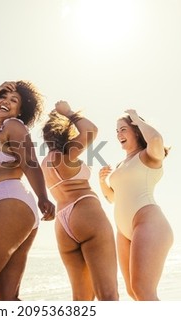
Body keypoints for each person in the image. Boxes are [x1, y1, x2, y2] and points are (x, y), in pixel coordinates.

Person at [0, 81, 55, 300]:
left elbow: (30, 162)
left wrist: (43, 196)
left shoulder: (14, 126)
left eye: (14, 100)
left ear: (21, 111)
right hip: (9, 206)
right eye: (3, 97)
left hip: (10, 202)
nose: (6, 102)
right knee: (7, 298)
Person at [41, 100, 119, 301]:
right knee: (108, 295)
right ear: (67, 132)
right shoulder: (68, 153)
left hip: (63, 224)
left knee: (81, 301)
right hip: (86, 213)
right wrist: (68, 112)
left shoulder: (46, 161)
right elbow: (91, 130)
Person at [99, 109, 173, 300]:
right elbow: (113, 198)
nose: (118, 135)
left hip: (148, 222)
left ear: (137, 131)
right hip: (124, 231)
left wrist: (135, 118)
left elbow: (156, 139)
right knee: (133, 292)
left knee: (143, 290)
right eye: (116, 131)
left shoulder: (148, 155)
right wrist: (102, 182)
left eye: (123, 129)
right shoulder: (121, 164)